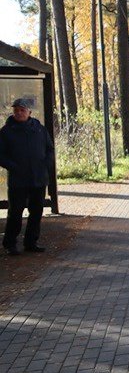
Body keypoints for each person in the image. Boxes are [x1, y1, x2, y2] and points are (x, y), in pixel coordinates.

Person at [0, 98, 54, 255]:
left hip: (38, 178)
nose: (18, 112)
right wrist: (14, 167)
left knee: (36, 211)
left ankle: (31, 242)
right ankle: (10, 244)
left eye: (22, 110)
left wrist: (46, 164)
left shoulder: (39, 129)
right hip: (18, 180)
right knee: (15, 212)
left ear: (29, 112)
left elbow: (49, 148)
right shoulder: (6, 132)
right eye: (16, 110)